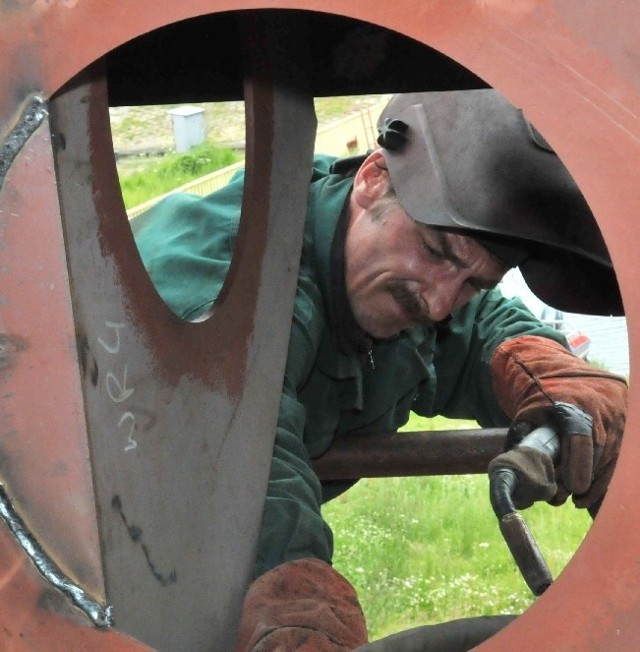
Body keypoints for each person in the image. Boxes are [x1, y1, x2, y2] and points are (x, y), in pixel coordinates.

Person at [132, 89, 627, 651]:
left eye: (473, 283)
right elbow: (232, 445)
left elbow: (472, 329)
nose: (439, 302)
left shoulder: (394, 277)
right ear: (371, 179)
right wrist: (296, 594)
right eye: (438, 252)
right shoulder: (230, 278)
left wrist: (559, 379)